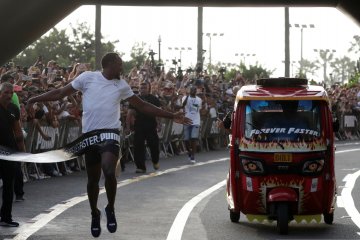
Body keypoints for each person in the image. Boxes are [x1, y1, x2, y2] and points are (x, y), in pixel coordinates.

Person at [27, 52, 191, 238]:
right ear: (109, 64)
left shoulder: (121, 85)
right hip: (90, 136)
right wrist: (34, 99)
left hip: (110, 134)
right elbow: (59, 93)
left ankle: (110, 208)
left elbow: (143, 106)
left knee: (110, 171)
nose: (122, 68)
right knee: (92, 181)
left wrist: (171, 115)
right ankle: (94, 213)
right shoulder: (87, 78)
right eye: (119, 64)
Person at [0, 82, 26, 227]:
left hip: (10, 152)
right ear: (0, 93)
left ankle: (6, 217)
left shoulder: (13, 108)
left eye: (11, 93)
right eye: (6, 93)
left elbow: (18, 132)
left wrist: (22, 152)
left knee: (9, 185)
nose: (9, 96)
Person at [129, 81, 161, 173]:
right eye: (141, 88)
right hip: (139, 126)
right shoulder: (135, 99)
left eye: (144, 88)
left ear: (149, 89)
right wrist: (128, 126)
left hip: (151, 126)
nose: (142, 90)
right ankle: (140, 167)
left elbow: (158, 112)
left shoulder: (154, 99)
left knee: (154, 145)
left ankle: (155, 161)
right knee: (138, 146)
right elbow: (130, 113)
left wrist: (159, 123)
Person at [182, 85, 202, 163]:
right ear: (189, 90)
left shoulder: (199, 99)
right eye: (191, 89)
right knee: (186, 139)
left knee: (193, 138)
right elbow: (182, 105)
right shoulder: (185, 98)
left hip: (196, 121)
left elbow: (196, 109)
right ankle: (189, 153)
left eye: (194, 89)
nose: (193, 91)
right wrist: (187, 97)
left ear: (196, 91)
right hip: (187, 120)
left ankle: (193, 156)